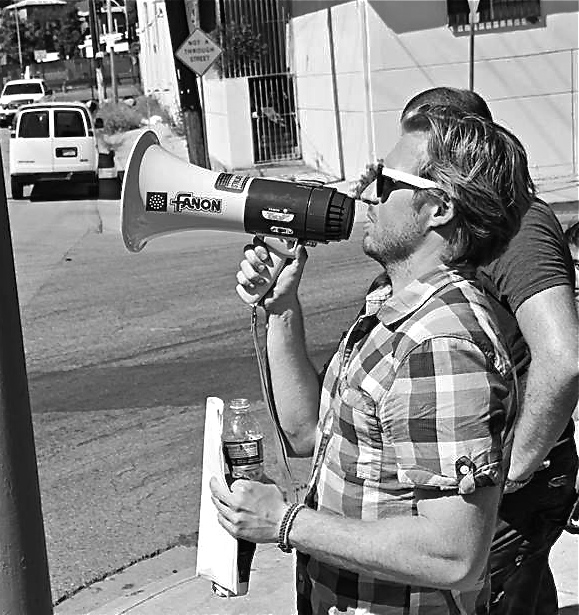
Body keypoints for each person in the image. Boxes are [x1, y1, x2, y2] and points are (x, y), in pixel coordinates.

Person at [211, 104, 533, 614]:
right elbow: (306, 434)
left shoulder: (440, 344)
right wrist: (281, 309)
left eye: (385, 181)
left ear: (439, 208)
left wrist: (287, 523)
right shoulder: (392, 305)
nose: (367, 193)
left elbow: (453, 555)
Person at [400, 87, 579, 615]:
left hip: (512, 489)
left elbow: (565, 357)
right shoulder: (464, 227)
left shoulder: (519, 225)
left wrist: (512, 469)